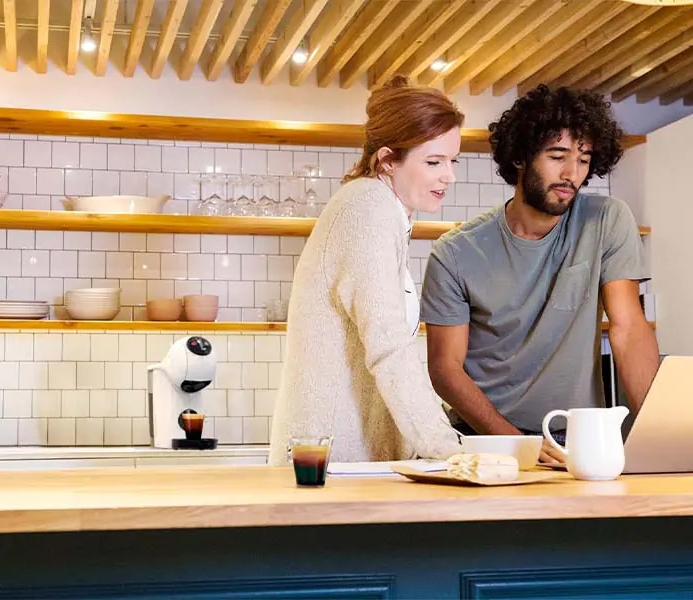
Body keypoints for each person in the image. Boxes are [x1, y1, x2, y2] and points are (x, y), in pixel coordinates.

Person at [420, 84, 660, 464]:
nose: (572, 174)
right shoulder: (455, 253)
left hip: (577, 439)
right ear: (520, 156)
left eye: (584, 159)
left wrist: (660, 436)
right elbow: (444, 369)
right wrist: (519, 445)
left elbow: (629, 329)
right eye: (557, 155)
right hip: (486, 440)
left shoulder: (607, 221)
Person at [268, 76, 464, 465]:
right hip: (331, 463)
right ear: (388, 160)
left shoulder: (381, 210)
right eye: (433, 161)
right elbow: (388, 345)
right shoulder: (367, 211)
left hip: (347, 459)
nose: (450, 176)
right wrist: (450, 452)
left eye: (452, 160)